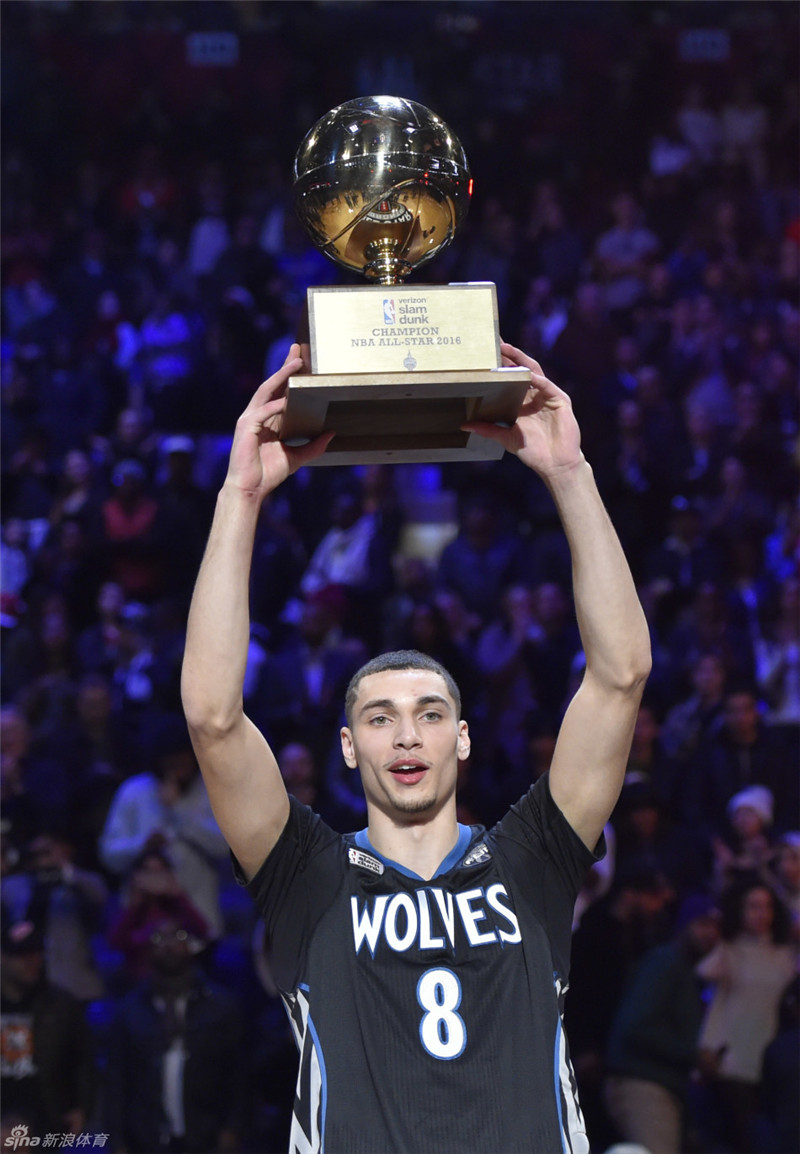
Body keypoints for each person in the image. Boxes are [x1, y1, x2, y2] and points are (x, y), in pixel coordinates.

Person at [180, 343, 652, 1153]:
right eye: (380, 717)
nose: (406, 733)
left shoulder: (530, 857)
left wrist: (571, 474)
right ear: (348, 747)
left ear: (463, 741)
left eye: (431, 714)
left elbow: (620, 676)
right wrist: (239, 494)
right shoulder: (308, 876)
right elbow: (213, 716)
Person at [603, 893, 722, 1154]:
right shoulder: (664, 963)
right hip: (641, 1082)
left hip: (661, 1085)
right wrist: (694, 1055)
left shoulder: (687, 972)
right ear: (685, 924)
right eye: (703, 923)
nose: (710, 933)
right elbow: (636, 1027)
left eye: (716, 926)